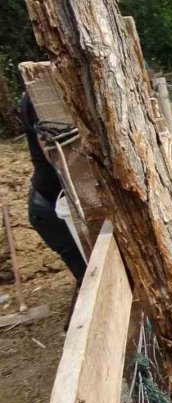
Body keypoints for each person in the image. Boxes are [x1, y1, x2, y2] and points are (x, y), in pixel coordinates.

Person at [18, 92, 87, 284]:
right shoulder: (39, 96)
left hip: (61, 203)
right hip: (52, 210)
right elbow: (55, 155)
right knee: (89, 277)